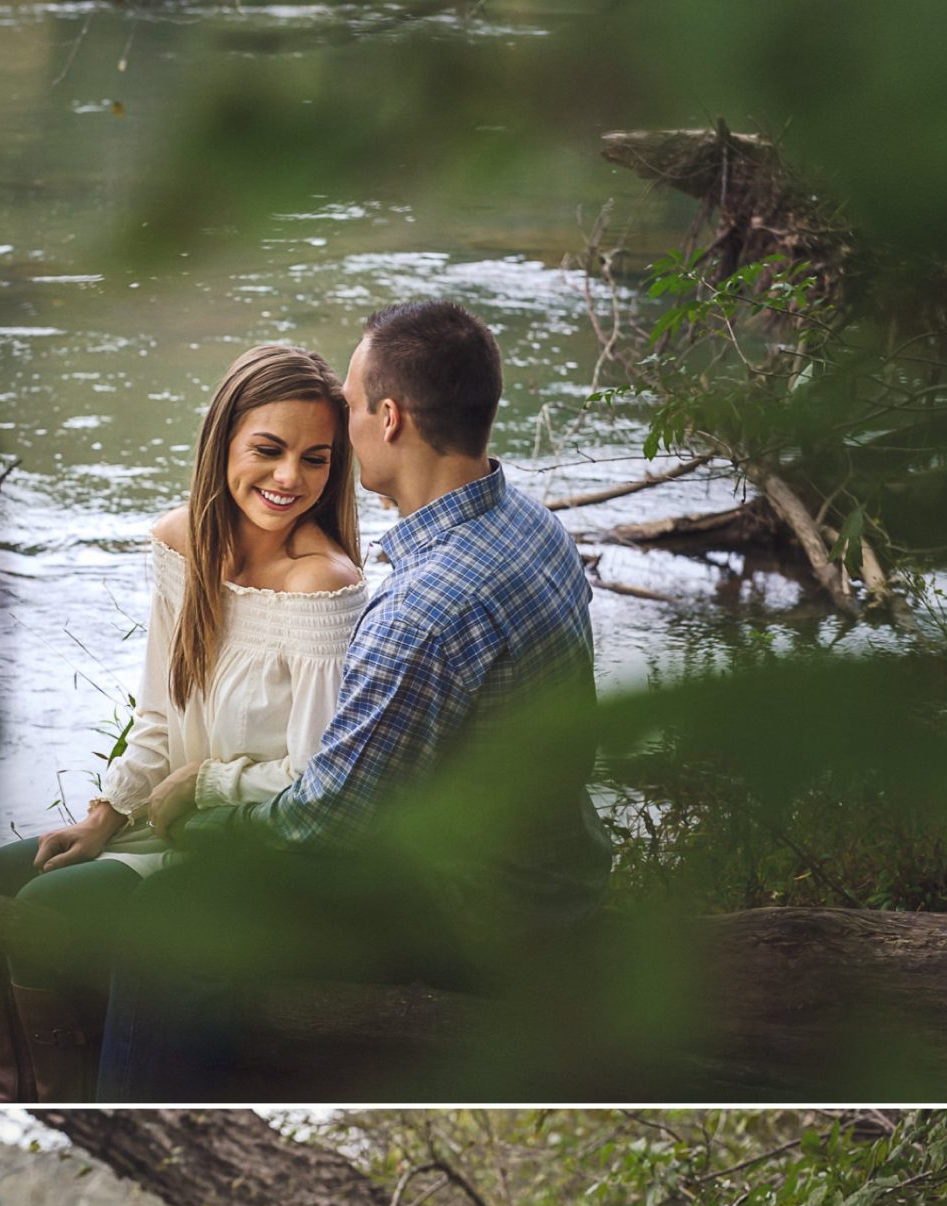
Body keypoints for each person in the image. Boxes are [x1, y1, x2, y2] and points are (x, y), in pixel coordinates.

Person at [96, 297, 613, 1102]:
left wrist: (207, 790)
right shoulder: (532, 526)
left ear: (391, 418)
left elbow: (322, 827)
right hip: (558, 882)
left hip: (471, 922)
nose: (337, 419)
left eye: (347, 400)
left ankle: (154, 1102)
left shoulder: (419, 610)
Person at [0, 343, 366, 1101]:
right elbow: (156, 712)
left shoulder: (322, 585)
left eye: (316, 459)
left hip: (250, 843)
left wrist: (205, 785)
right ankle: (18, 1093)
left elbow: (321, 776)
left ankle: (82, 1094)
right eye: (269, 451)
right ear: (223, 442)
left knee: (46, 912)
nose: (290, 480)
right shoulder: (181, 543)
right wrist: (107, 816)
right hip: (168, 818)